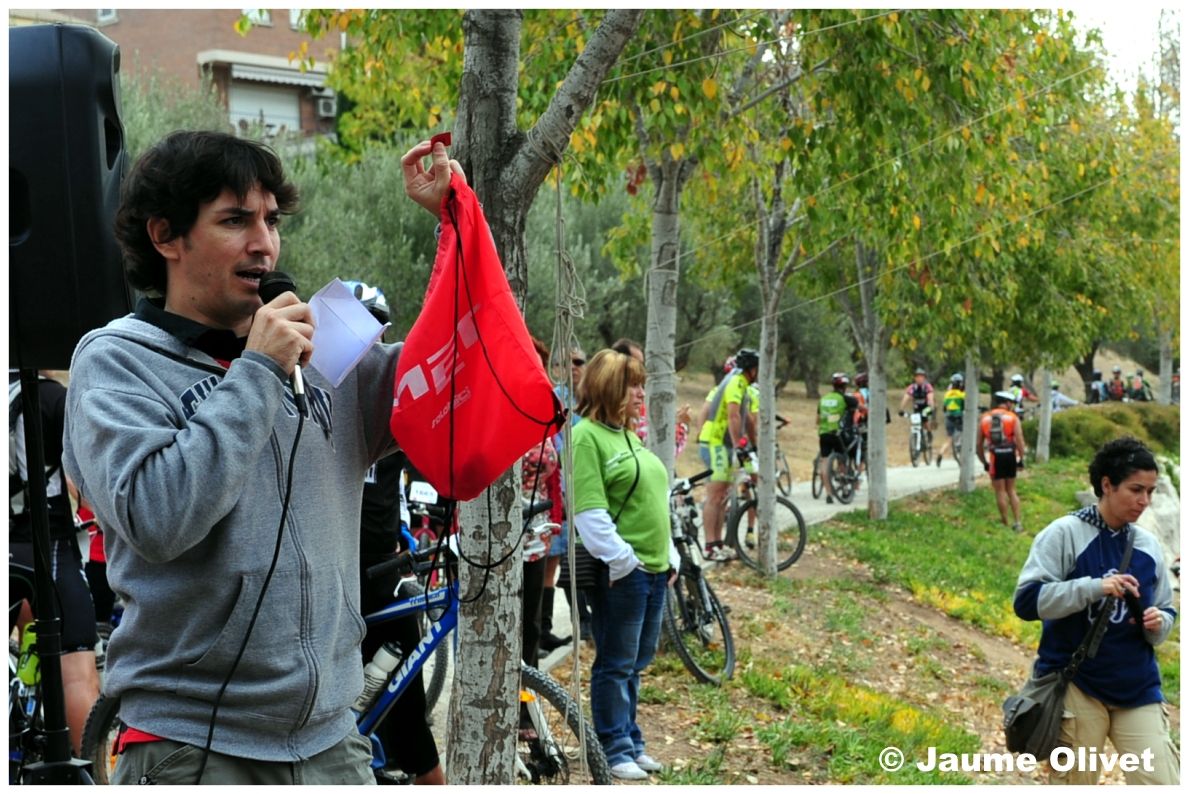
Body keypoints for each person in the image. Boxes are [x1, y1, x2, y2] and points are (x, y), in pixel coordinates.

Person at [61, 130, 462, 783]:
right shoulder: (114, 359)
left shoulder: (326, 346)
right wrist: (256, 371)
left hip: (333, 742)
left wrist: (454, 224)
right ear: (165, 236)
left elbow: (447, 379)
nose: (264, 243)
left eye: (272, 220)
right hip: (193, 748)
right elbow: (158, 517)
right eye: (235, 220)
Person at [1013, 437, 1179, 784]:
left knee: (1162, 783)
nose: (1144, 501)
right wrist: (1094, 587)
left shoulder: (1147, 545)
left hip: (1138, 687)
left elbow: (1166, 608)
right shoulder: (1064, 534)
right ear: (1106, 484)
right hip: (1076, 684)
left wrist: (1158, 622)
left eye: (1150, 491)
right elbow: (1027, 602)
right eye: (1136, 489)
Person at [352, 281, 445, 785]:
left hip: (381, 566)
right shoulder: (325, 397)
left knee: (403, 682)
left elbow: (427, 461)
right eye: (364, 323)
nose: (373, 335)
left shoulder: (390, 399)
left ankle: (406, 762)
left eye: (380, 325)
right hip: (337, 572)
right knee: (388, 688)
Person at [570, 349, 678, 781]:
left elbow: (654, 503)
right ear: (610, 387)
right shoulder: (586, 438)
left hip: (653, 573)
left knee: (636, 661)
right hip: (624, 576)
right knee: (615, 663)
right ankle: (613, 747)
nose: (640, 393)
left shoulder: (629, 437)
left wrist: (669, 556)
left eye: (641, 385)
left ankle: (631, 741)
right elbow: (590, 513)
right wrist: (625, 562)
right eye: (632, 385)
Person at [8, 369, 100, 756]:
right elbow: (91, 468)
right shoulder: (50, 397)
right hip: (46, 546)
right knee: (76, 670)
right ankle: (84, 772)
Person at [696, 347, 760, 560]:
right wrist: (739, 445)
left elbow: (747, 420)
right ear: (751, 369)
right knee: (715, 495)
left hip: (724, 444)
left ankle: (718, 543)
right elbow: (733, 416)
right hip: (716, 443)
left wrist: (751, 444)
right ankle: (709, 546)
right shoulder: (735, 383)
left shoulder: (742, 384)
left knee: (723, 496)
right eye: (758, 368)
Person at [546, 346, 589, 648]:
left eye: (578, 362)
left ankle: (585, 621)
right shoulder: (554, 398)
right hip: (560, 492)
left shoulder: (591, 402)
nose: (573, 367)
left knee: (581, 559)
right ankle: (545, 626)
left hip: (586, 492)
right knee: (554, 560)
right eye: (566, 363)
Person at [611, 337, 691, 456]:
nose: (642, 369)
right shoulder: (614, 414)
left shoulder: (637, 405)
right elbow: (657, 451)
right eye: (637, 363)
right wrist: (679, 425)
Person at [976, 391, 1027, 532]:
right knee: (1011, 490)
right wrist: (1021, 459)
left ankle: (1004, 521)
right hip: (1010, 456)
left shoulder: (985, 418)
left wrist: (984, 462)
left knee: (1000, 491)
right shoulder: (1012, 418)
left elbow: (979, 444)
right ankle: (1017, 522)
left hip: (995, 457)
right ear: (1008, 403)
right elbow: (1019, 440)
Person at [817, 373, 859, 504]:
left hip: (823, 433)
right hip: (837, 434)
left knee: (824, 463)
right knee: (843, 459)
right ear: (845, 386)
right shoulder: (845, 399)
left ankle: (829, 494)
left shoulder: (823, 399)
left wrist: (827, 421)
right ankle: (845, 487)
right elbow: (859, 407)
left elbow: (817, 419)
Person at [937, 372, 965, 467]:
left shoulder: (947, 394)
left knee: (949, 439)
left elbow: (944, 408)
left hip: (949, 417)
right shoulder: (961, 394)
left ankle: (940, 454)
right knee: (963, 432)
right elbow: (965, 406)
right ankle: (959, 445)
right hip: (959, 417)